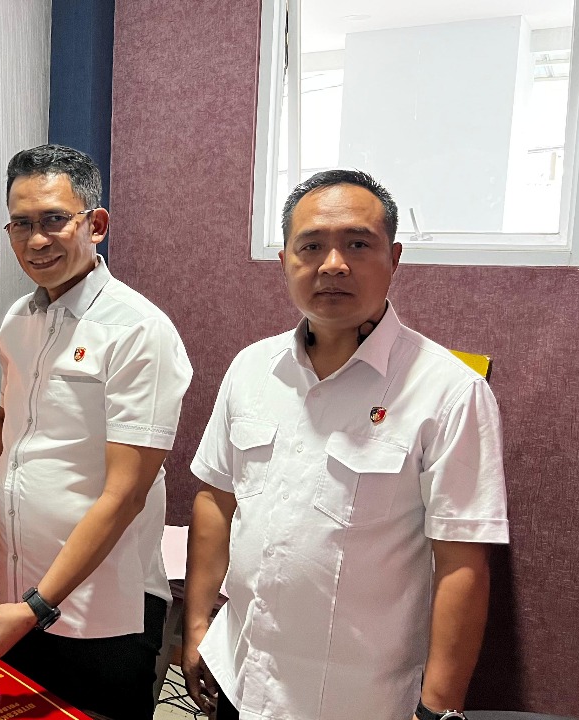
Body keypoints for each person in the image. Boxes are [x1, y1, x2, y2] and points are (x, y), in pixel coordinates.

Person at [181, 169, 509, 720]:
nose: (333, 264)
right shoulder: (252, 368)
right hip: (240, 673)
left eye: (358, 244)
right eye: (311, 246)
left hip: (357, 701)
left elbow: (462, 561)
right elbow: (217, 498)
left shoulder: (449, 392)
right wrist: (196, 626)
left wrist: (439, 709)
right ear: (286, 260)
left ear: (394, 258)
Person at [0, 144, 193, 719]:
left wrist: (39, 605)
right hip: (13, 596)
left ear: (96, 225)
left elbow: (126, 493)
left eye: (54, 220)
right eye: (21, 224)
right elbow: (10, 432)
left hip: (102, 612)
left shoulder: (138, 330)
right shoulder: (19, 320)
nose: (36, 240)